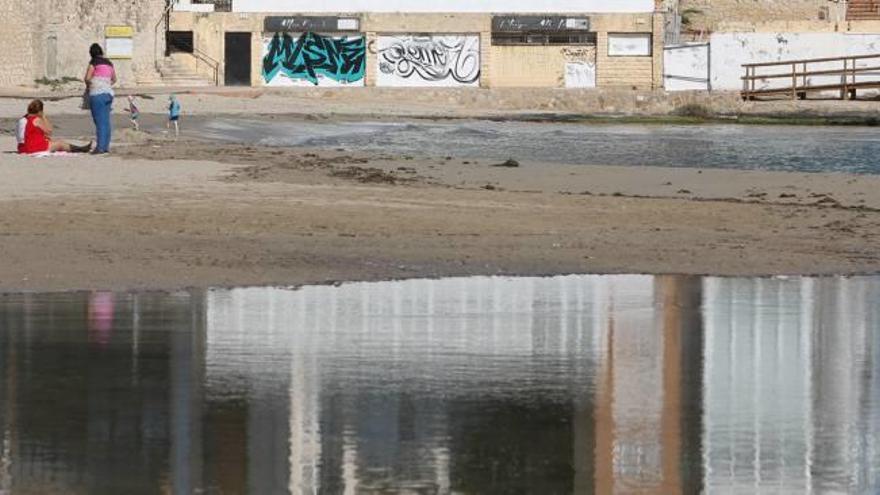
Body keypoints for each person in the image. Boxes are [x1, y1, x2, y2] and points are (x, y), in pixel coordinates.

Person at [18, 99, 92, 154]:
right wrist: (44, 117)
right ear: (40, 111)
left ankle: (80, 148)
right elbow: (49, 131)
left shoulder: (24, 118)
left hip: (24, 147)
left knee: (53, 141)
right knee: (60, 143)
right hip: (33, 147)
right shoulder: (36, 119)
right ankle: (81, 149)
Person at [84, 43, 116, 154]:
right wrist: (105, 83)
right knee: (106, 121)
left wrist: (92, 84)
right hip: (108, 94)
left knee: (99, 121)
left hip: (97, 94)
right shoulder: (109, 63)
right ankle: (105, 146)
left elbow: (87, 78)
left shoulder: (93, 63)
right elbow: (114, 79)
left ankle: (100, 148)